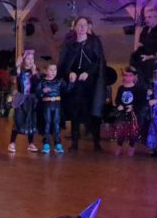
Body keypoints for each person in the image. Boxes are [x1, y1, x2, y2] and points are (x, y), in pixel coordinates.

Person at [58, 17, 106, 152]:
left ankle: (96, 143)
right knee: (75, 113)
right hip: (75, 83)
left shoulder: (94, 42)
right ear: (75, 27)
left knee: (93, 112)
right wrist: (70, 73)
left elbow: (99, 62)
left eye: (85, 25)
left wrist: (88, 73)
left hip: (91, 83)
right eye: (79, 25)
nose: (82, 27)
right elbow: (63, 64)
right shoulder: (69, 44)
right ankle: (74, 143)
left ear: (88, 27)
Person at [10, 50, 40, 153]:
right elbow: (13, 74)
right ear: (23, 60)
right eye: (28, 58)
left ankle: (31, 143)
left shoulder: (35, 72)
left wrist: (35, 73)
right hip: (21, 98)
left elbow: (37, 85)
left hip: (31, 99)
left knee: (31, 120)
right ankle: (12, 142)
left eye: (32, 59)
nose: (30, 61)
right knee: (18, 120)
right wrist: (17, 64)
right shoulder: (20, 71)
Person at [37, 62, 68, 154]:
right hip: (47, 106)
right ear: (45, 71)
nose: (53, 72)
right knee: (47, 123)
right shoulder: (42, 82)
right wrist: (42, 91)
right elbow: (37, 93)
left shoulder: (59, 81)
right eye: (51, 70)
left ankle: (58, 143)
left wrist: (72, 81)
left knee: (56, 124)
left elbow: (68, 89)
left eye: (55, 69)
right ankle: (46, 143)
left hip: (57, 106)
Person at [114, 66, 142, 157]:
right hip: (122, 113)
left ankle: (131, 146)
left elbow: (140, 102)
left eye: (130, 75)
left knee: (133, 131)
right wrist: (119, 105)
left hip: (133, 114)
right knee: (120, 130)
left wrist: (133, 107)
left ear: (134, 77)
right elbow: (117, 99)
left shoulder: (137, 89)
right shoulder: (121, 88)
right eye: (126, 75)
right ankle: (119, 146)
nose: (128, 77)